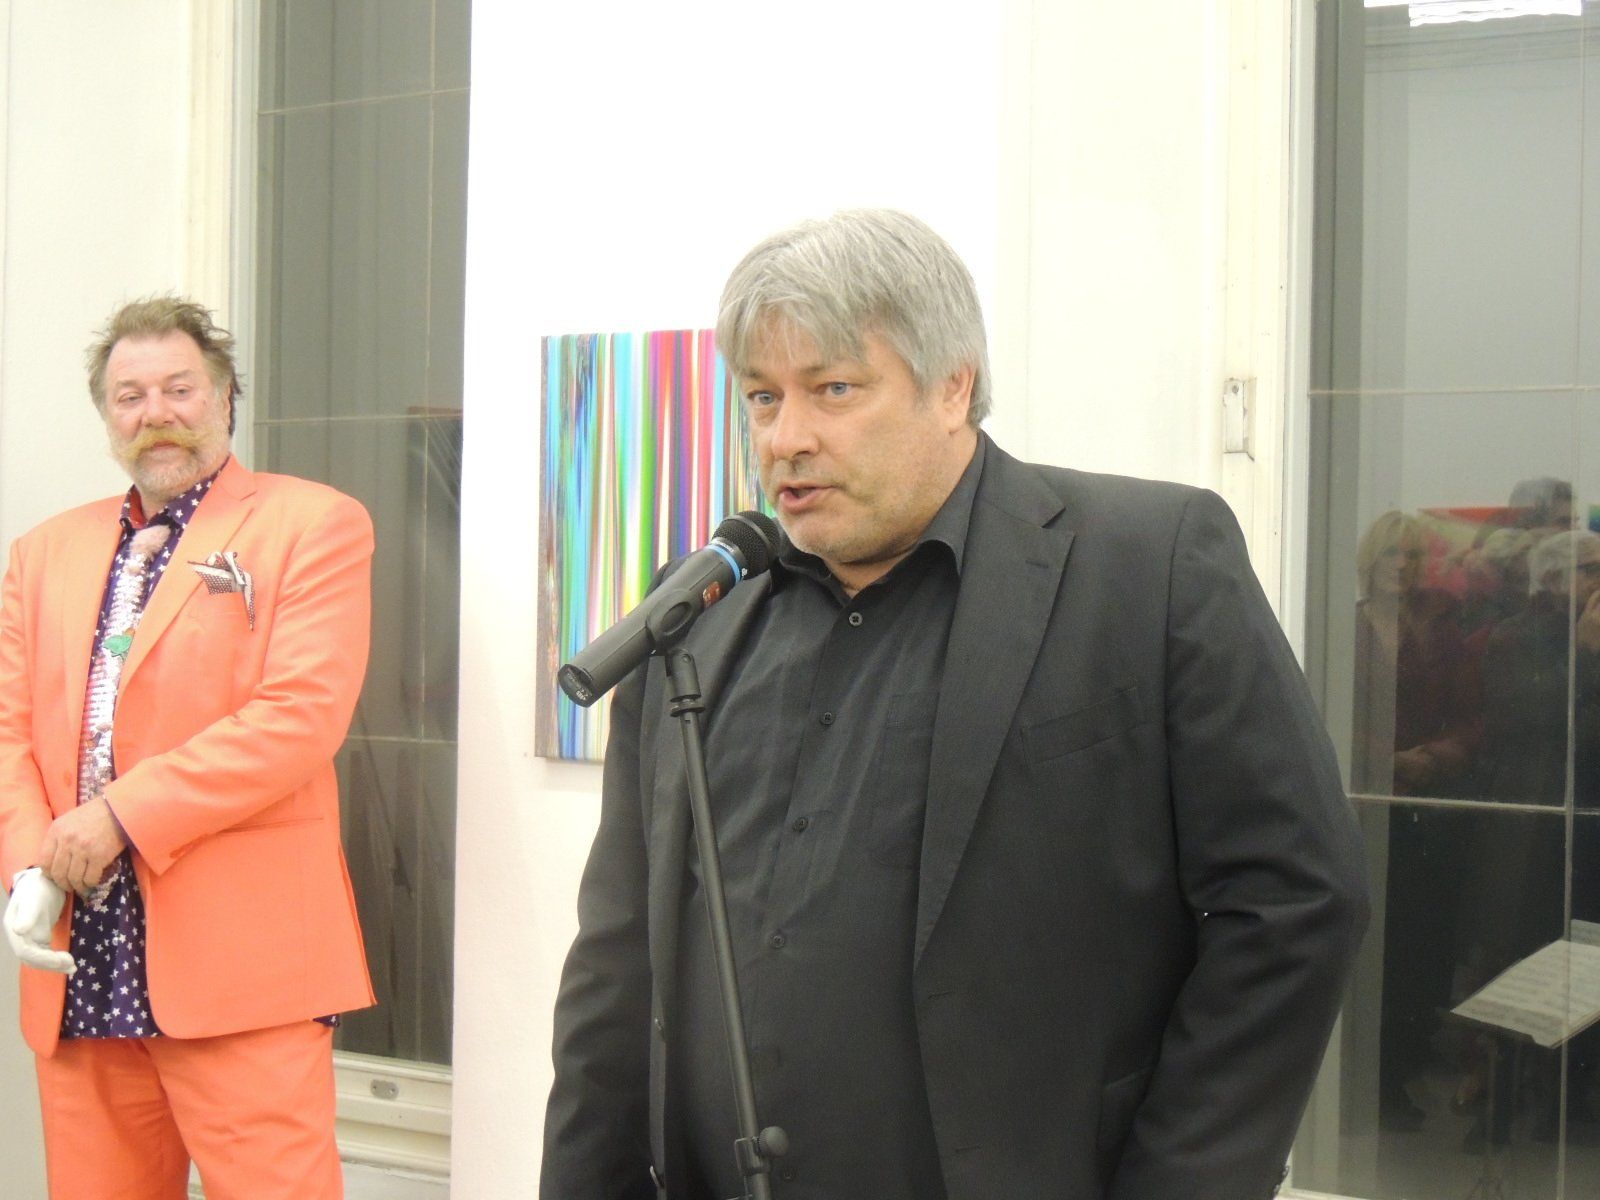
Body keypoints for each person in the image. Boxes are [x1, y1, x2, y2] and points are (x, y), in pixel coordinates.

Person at [542, 210, 1369, 1200]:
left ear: (953, 387)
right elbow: (618, 960)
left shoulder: (1146, 565)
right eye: (763, 397)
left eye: (833, 389)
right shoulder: (699, 622)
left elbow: (1291, 905)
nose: (786, 438)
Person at [0, 297, 375, 1199]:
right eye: (129, 396)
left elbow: (298, 716)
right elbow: (8, 730)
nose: (155, 413)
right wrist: (29, 864)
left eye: (179, 389)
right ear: (107, 416)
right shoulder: (42, 552)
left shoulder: (313, 523)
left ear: (225, 397)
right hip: (81, 956)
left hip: (245, 965)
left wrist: (116, 818)